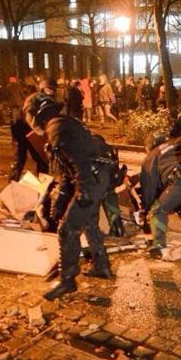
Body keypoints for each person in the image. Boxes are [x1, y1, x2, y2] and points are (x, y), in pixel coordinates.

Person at [23, 93, 113, 300]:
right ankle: (102, 265)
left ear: (36, 114)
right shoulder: (61, 123)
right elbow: (67, 169)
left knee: (67, 229)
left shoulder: (57, 129)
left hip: (91, 179)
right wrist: (63, 198)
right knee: (89, 222)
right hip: (96, 177)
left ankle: (67, 280)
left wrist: (83, 191)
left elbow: (79, 162)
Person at [141, 132, 181, 258]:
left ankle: (158, 245)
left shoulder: (152, 156)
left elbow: (149, 188)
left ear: (149, 146)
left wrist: (147, 210)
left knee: (157, 210)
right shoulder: (176, 142)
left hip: (179, 180)